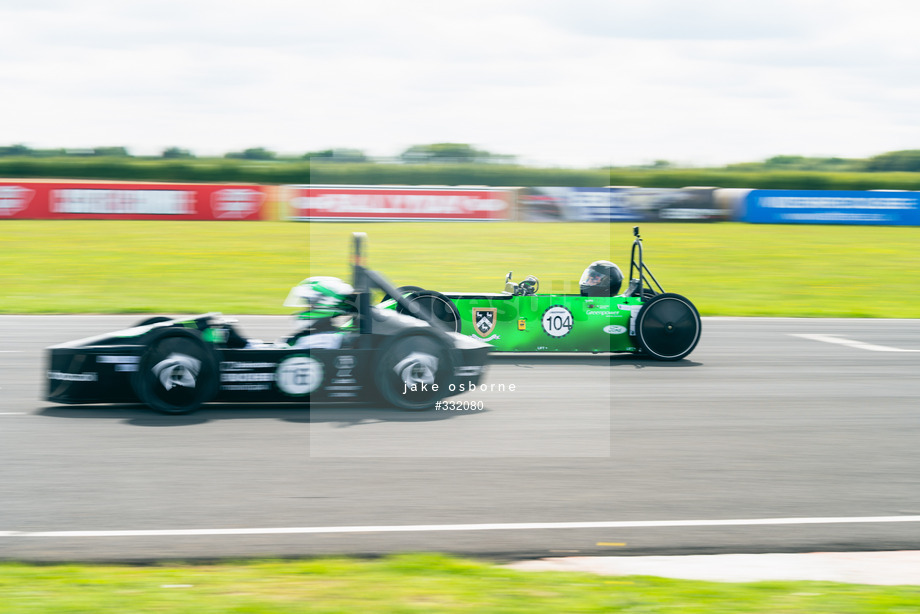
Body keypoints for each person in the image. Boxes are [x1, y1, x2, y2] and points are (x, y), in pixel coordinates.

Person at [282, 276, 355, 349]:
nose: (306, 309)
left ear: (325, 303)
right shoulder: (326, 335)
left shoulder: (320, 340)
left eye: (311, 305)